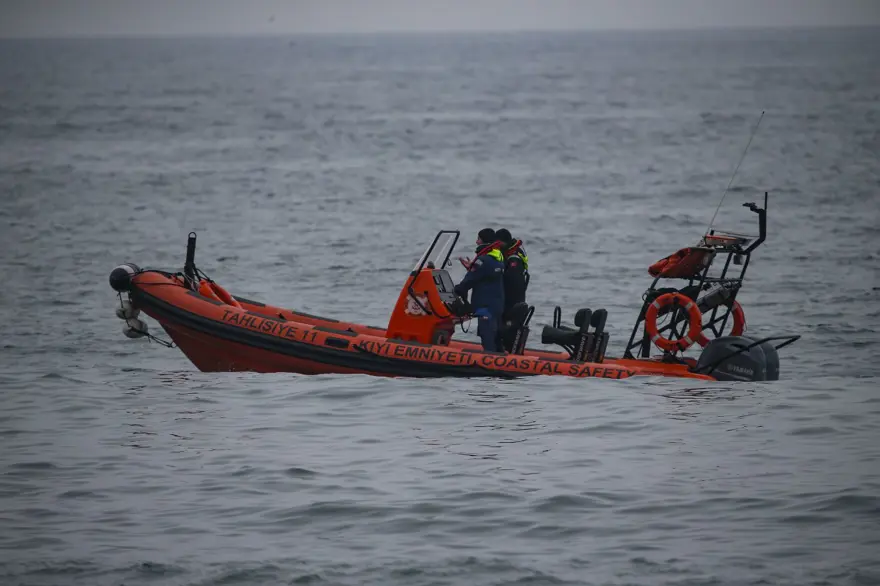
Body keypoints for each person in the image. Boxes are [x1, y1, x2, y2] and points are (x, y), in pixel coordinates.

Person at [453, 228, 505, 352]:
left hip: (485, 307)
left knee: (487, 338)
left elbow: (470, 280)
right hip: (497, 305)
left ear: (483, 241)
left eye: (478, 239)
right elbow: (484, 276)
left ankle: (491, 367)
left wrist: (457, 290)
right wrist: (472, 269)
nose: (476, 242)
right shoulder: (498, 258)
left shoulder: (483, 260)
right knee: (495, 338)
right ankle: (500, 359)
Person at [494, 228, 530, 352]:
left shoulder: (513, 259)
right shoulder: (512, 253)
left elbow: (512, 281)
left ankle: (507, 351)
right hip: (516, 298)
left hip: (512, 301)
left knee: (507, 331)